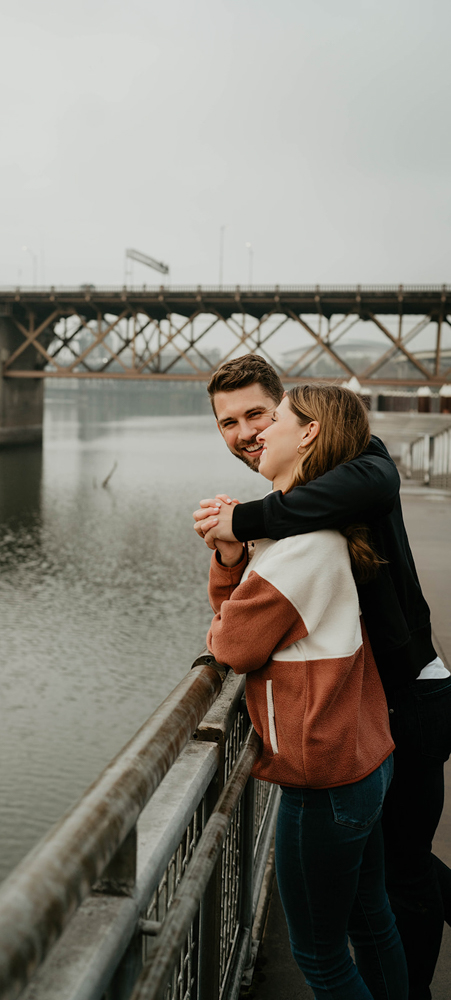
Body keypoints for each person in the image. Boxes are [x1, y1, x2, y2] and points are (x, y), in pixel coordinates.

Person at [194, 355, 451, 1000]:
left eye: (262, 413)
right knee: (383, 889)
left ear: (300, 421)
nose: (248, 431)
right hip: (364, 724)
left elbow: (234, 640)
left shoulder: (354, 469)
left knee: (397, 884)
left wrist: (242, 525)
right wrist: (246, 536)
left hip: (403, 700)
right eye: (230, 422)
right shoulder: (300, 511)